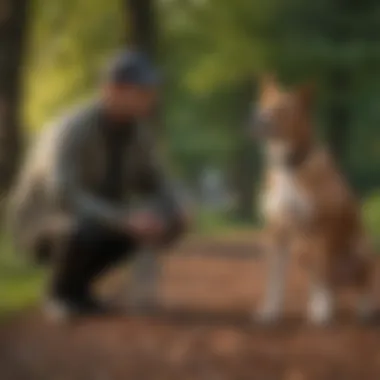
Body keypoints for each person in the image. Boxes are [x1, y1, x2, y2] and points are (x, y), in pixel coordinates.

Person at [8, 49, 189, 319]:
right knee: (86, 228)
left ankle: (79, 291)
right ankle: (58, 294)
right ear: (112, 90)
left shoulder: (138, 133)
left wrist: (178, 207)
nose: (151, 98)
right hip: (42, 223)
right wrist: (124, 219)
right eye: (142, 91)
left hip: (94, 219)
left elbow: (158, 179)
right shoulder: (70, 129)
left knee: (166, 218)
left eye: (151, 91)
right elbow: (64, 194)